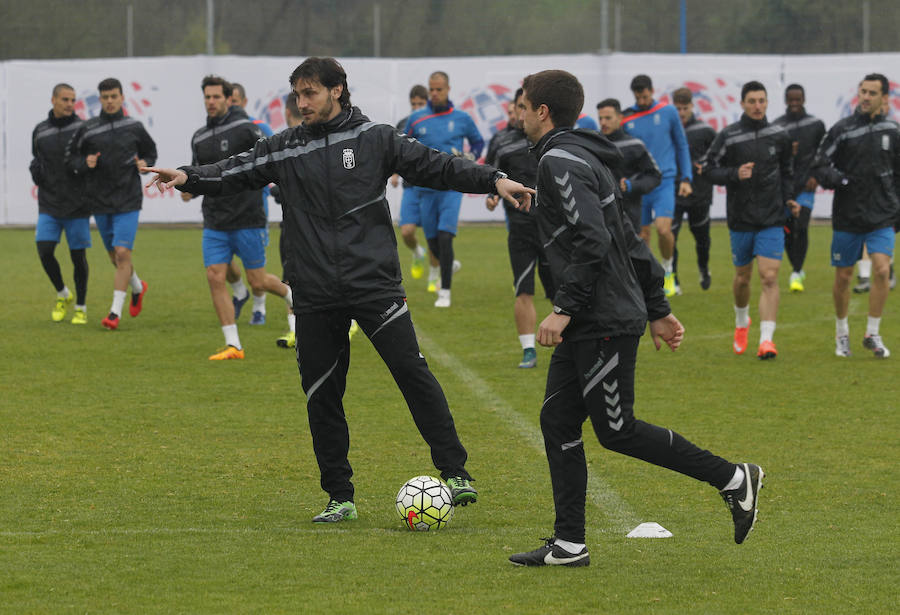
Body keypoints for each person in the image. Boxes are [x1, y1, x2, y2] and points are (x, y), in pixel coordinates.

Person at [143, 57, 534, 523]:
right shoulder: (283, 148)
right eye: (297, 94)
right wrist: (188, 176)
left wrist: (493, 178)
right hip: (313, 291)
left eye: (310, 93)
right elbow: (235, 171)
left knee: (413, 374)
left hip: (374, 285)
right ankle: (339, 497)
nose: (301, 102)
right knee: (322, 395)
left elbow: (439, 166)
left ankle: (455, 472)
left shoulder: (375, 138)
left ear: (338, 90)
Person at [508, 69, 763, 567]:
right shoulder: (581, 157)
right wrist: (659, 308)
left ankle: (734, 478)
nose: (517, 114)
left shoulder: (560, 161)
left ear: (542, 111)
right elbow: (628, 238)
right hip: (599, 314)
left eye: (522, 105)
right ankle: (569, 544)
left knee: (617, 428)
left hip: (599, 317)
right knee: (557, 418)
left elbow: (596, 241)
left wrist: (561, 310)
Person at [182, 75, 293, 360]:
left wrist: (284, 186)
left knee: (258, 282)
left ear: (229, 99)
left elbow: (270, 158)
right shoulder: (199, 136)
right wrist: (187, 190)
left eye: (216, 97)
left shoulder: (245, 128)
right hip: (215, 221)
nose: (211, 102)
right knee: (214, 275)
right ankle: (234, 344)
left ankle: (294, 297)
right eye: (207, 97)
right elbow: (199, 174)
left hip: (247, 217)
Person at [702, 81, 796, 359]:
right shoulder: (729, 136)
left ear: (767, 103)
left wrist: (790, 199)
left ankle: (767, 341)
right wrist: (734, 174)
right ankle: (742, 321)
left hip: (772, 218)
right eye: (752, 101)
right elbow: (707, 169)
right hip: (741, 219)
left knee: (769, 277)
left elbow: (789, 172)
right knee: (743, 279)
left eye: (762, 101)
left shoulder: (779, 135)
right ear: (742, 104)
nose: (757, 106)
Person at [814, 73, 899, 359]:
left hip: (882, 215)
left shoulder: (893, 130)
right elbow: (820, 163)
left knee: (882, 271)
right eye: (862, 91)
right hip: (848, 216)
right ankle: (842, 333)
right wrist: (841, 181)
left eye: (872, 93)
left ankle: (872, 333)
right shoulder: (842, 129)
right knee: (844, 278)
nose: (865, 97)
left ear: (884, 98)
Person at [66, 77, 156, 330]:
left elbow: (150, 151)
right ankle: (138, 287)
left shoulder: (134, 126)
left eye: (113, 96)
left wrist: (144, 164)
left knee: (123, 253)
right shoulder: (88, 129)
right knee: (114, 257)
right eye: (105, 97)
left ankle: (114, 313)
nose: (109, 101)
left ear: (122, 97)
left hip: (128, 199)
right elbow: (71, 158)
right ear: (100, 99)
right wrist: (85, 164)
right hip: (100, 201)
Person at [485, 88, 556, 369]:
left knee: (561, 290)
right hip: (520, 229)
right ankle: (528, 350)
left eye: (526, 107)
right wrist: (491, 196)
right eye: (518, 106)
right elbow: (490, 176)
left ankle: (573, 343)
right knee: (523, 289)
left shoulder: (550, 140)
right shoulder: (502, 142)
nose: (520, 112)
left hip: (553, 229)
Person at [405, 71, 486, 307]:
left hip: (452, 187)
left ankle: (445, 292)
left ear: (448, 89)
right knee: (431, 241)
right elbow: (403, 146)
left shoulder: (461, 118)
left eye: (439, 89)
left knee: (444, 236)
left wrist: (472, 156)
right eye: (432, 89)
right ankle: (448, 265)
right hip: (426, 189)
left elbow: (478, 143)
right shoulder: (417, 118)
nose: (435, 93)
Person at [622, 74, 694, 297]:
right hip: (641, 184)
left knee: (664, 229)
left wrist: (686, 178)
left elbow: (681, 146)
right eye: (637, 97)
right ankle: (649, 281)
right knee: (643, 236)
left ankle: (669, 269)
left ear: (652, 91)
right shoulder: (627, 119)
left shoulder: (669, 112)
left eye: (644, 96)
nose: (642, 100)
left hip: (665, 181)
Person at [30, 83, 91, 324]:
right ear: (53, 99)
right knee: (44, 251)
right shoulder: (40, 130)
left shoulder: (82, 129)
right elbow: (36, 160)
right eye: (65, 99)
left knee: (78, 257)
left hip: (77, 205)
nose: (69, 104)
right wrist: (36, 171)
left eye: (72, 100)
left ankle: (81, 307)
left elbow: (90, 161)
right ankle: (62, 293)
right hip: (49, 204)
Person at [772, 84, 826, 293]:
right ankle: (797, 268)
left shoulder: (816, 124)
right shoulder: (777, 126)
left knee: (801, 226)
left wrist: (816, 176)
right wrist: (787, 153)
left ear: (803, 99)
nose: (794, 103)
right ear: (786, 100)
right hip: (784, 188)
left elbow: (824, 154)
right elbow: (772, 157)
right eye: (791, 100)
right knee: (787, 230)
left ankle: (796, 271)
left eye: (798, 99)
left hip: (806, 185)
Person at [229, 81, 274, 325]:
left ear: (244, 103)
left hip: (253, 206)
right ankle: (239, 291)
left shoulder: (259, 128)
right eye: (229, 101)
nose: (231, 105)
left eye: (235, 101)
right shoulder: (217, 131)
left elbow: (276, 157)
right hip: (223, 208)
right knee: (219, 263)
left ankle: (259, 307)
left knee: (254, 267)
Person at [672, 87, 717, 292]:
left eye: (684, 108)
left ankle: (703, 268)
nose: (681, 112)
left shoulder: (705, 130)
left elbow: (717, 155)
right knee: (670, 236)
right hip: (673, 191)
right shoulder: (668, 131)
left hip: (700, 193)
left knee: (701, 237)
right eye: (677, 108)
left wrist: (705, 166)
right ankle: (673, 278)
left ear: (692, 106)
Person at [596, 98, 661, 235]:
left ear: (620, 118)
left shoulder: (635, 145)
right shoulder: (593, 145)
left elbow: (654, 176)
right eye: (600, 118)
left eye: (608, 118)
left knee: (630, 256)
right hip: (599, 217)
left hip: (629, 217)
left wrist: (633, 185)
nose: (603, 122)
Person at [390, 84, 433, 281]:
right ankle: (417, 252)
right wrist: (395, 173)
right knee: (406, 232)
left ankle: (436, 277)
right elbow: (396, 152)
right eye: (414, 104)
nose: (417, 107)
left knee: (435, 235)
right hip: (411, 186)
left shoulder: (434, 122)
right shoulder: (404, 123)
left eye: (421, 104)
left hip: (433, 186)